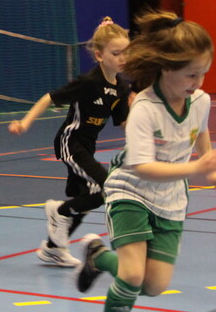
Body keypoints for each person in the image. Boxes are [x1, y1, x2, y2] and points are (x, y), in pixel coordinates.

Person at [74, 11, 216, 312]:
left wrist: (210, 165)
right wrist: (196, 169)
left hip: (170, 199)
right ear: (165, 68)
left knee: (154, 285)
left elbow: (200, 132)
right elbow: (143, 167)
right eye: (191, 74)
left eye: (203, 73)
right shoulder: (144, 108)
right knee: (131, 276)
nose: (198, 82)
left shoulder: (200, 100)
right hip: (131, 190)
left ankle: (98, 257)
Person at [9, 17, 130, 266]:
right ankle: (58, 211)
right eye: (116, 53)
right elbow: (49, 98)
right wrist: (25, 122)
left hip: (88, 147)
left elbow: (125, 124)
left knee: (84, 198)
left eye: (125, 52)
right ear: (99, 55)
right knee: (106, 188)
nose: (122, 58)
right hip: (70, 143)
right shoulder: (88, 82)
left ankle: (53, 249)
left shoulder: (121, 88)